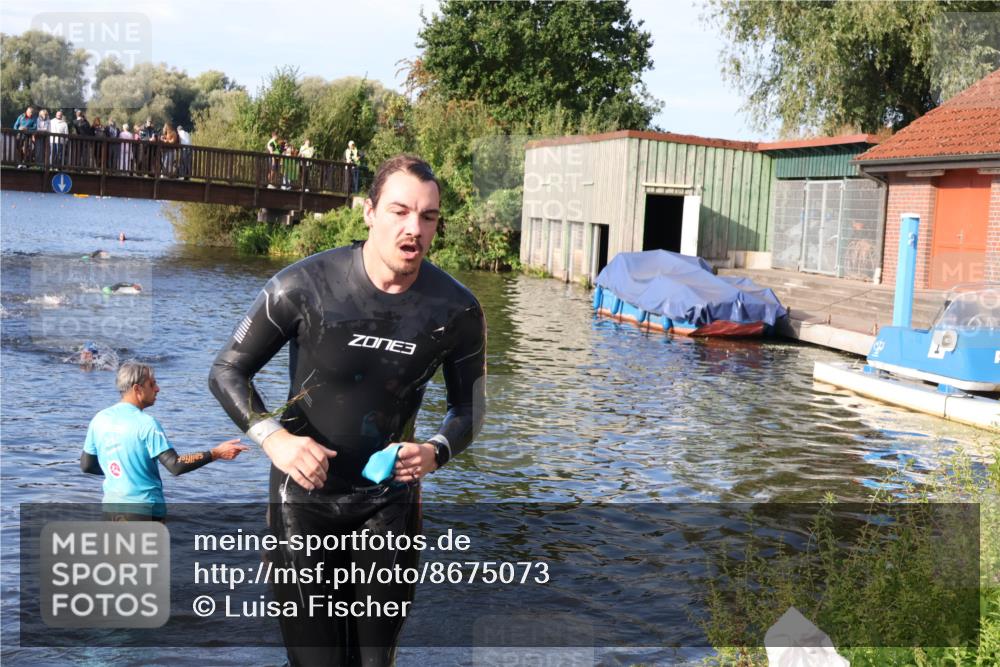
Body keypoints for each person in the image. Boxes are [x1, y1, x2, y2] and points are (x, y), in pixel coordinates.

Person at [209, 154, 486, 666]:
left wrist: (436, 451)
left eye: (428, 217)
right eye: (400, 212)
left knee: (374, 663)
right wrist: (276, 439)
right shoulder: (303, 287)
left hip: (390, 504)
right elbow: (227, 371)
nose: (414, 229)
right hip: (303, 502)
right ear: (369, 212)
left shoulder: (457, 310)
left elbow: (469, 408)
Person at [82, 361, 248, 519]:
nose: (158, 389)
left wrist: (122, 472)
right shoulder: (146, 424)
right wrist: (216, 453)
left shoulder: (99, 419)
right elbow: (176, 465)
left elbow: (87, 465)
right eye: (152, 384)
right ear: (137, 389)